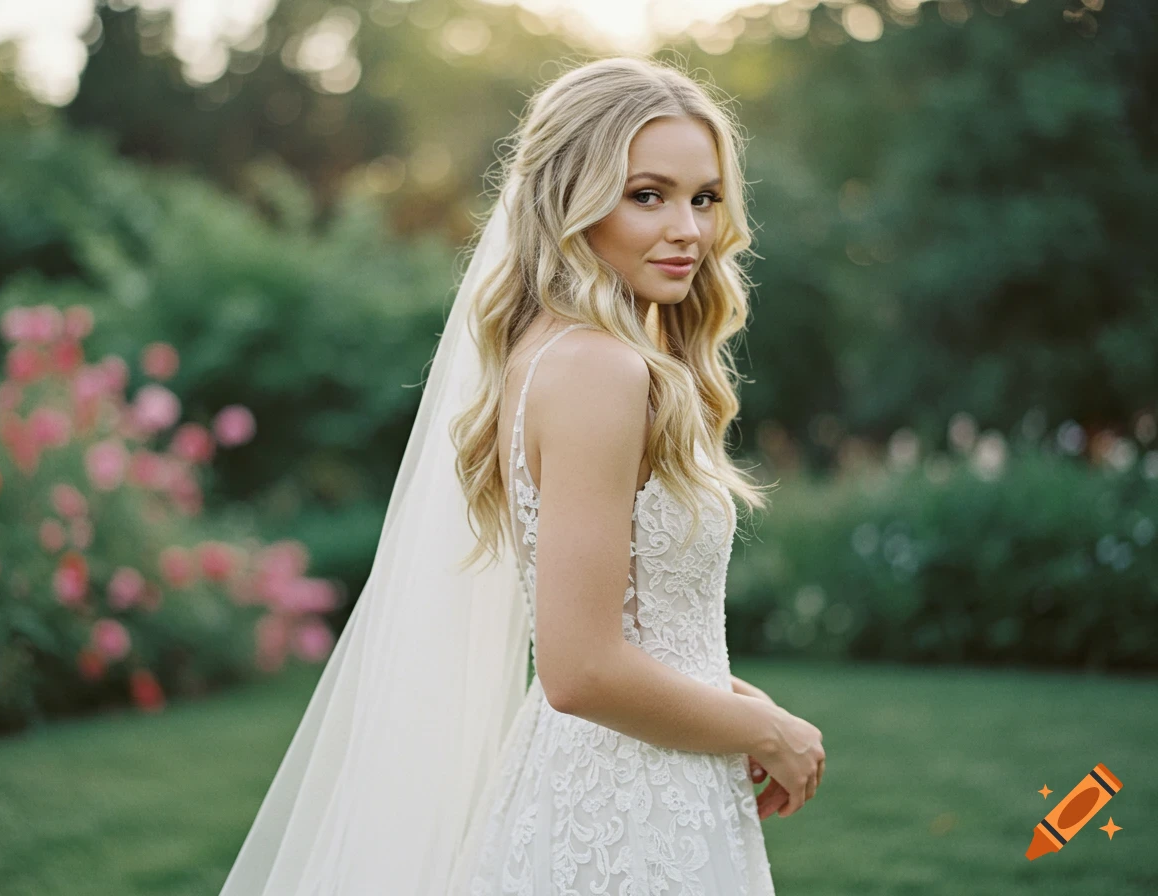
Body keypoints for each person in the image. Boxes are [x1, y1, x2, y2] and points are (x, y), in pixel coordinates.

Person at [218, 56, 824, 896]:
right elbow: (579, 668)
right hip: (627, 815)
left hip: (651, 780)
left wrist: (736, 713)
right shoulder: (598, 370)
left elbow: (636, 630)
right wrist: (768, 728)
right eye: (647, 195)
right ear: (569, 200)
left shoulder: (555, 354)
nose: (688, 228)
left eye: (705, 197)